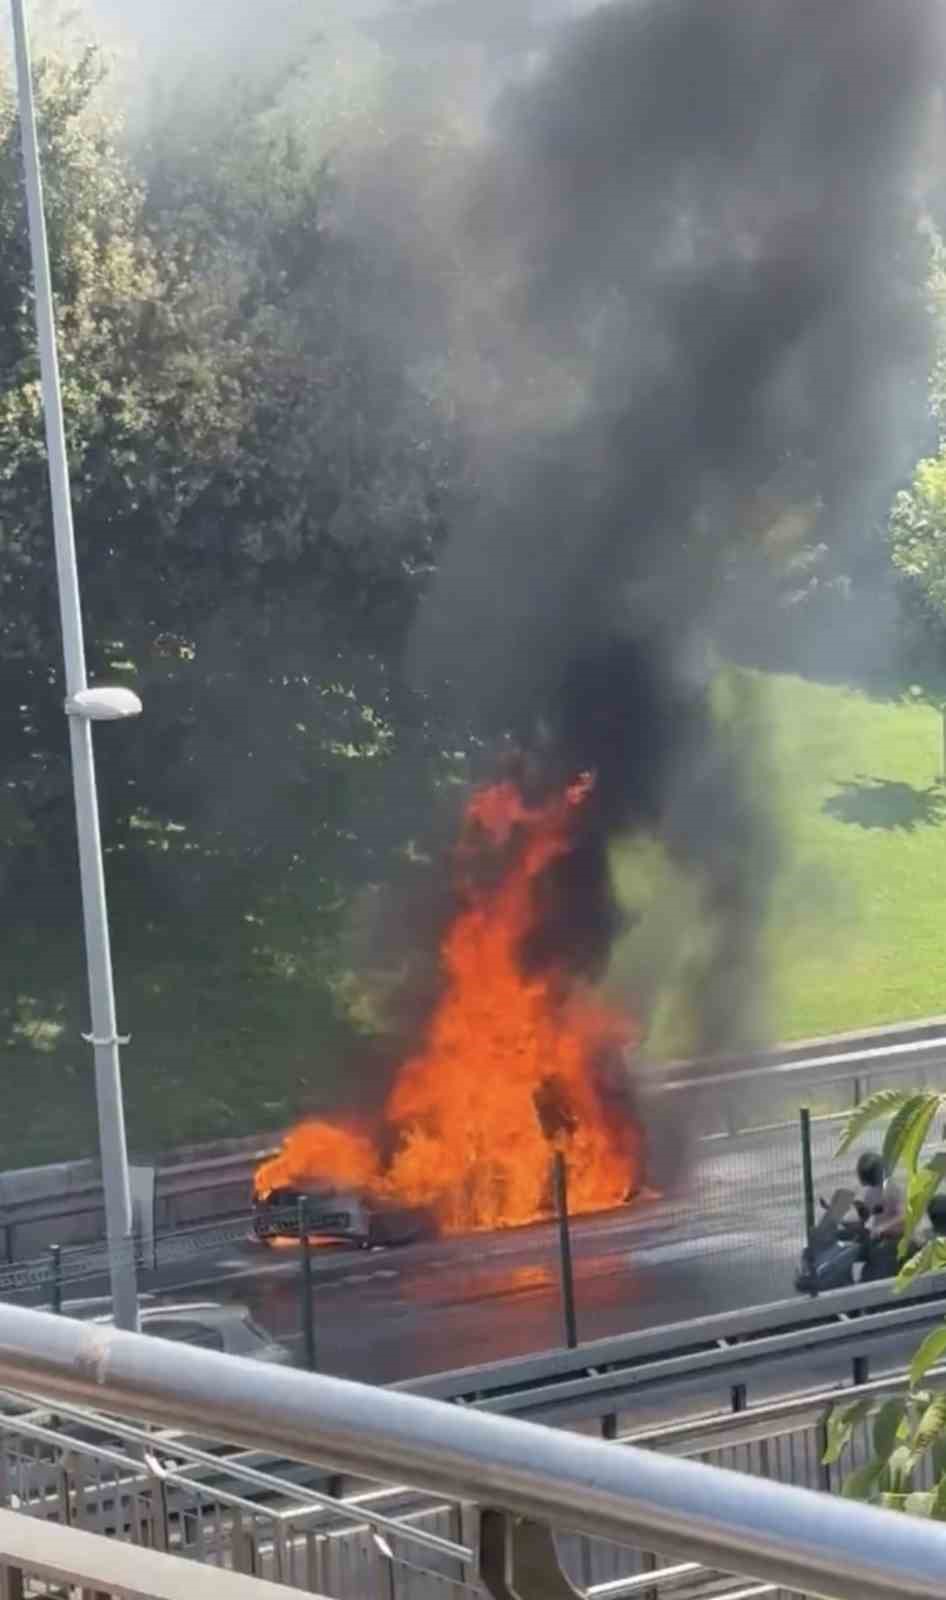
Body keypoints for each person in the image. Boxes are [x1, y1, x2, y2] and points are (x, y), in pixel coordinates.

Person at [853, 1150, 907, 1280]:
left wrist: (882, 1228)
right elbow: (868, 1220)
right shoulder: (869, 1193)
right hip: (878, 1239)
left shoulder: (892, 1189)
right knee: (854, 1251)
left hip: (896, 1239)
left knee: (879, 1259)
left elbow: (903, 1216)